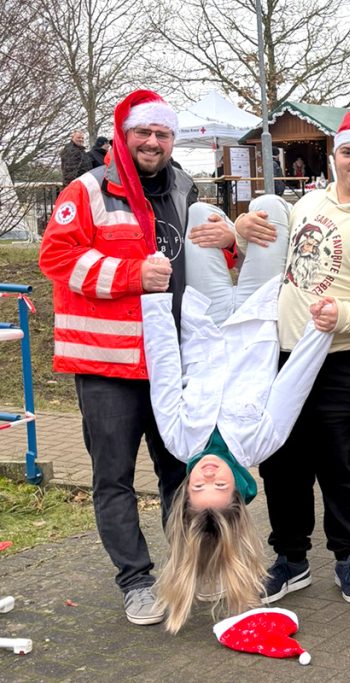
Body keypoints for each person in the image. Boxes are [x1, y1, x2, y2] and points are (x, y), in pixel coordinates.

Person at [39, 90, 236, 625]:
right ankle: (137, 581)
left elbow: (200, 255)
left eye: (162, 134)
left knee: (183, 472)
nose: (153, 142)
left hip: (173, 362)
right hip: (107, 363)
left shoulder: (186, 187)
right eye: (143, 133)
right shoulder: (86, 191)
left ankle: (190, 568)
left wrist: (231, 241)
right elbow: (55, 258)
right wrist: (131, 277)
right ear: (123, 136)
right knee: (114, 478)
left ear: (172, 140)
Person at [237, 111, 350, 605]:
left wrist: (347, 315)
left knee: (340, 462)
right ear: (335, 156)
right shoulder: (310, 203)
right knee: (281, 461)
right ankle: (291, 559)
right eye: (348, 152)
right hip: (285, 354)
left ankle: (347, 556)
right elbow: (276, 257)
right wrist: (241, 226)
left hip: (346, 358)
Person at [142, 201, 333, 633]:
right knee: (267, 208)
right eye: (220, 485)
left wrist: (155, 303)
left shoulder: (177, 439)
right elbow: (293, 383)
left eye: (199, 485)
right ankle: (241, 232)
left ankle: (231, 233)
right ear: (239, 489)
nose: (209, 474)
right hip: (256, 311)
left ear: (186, 488)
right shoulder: (260, 442)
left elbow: (165, 370)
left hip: (203, 314)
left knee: (199, 211)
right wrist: (319, 331)